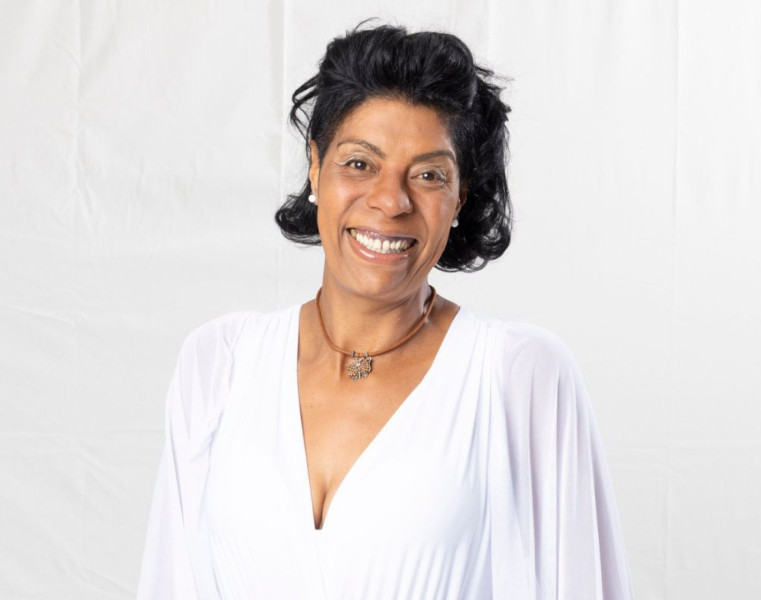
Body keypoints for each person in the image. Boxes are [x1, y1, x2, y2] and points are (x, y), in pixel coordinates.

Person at [137, 23, 634, 600]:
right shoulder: (219, 363)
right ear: (315, 166)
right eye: (359, 163)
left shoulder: (520, 374)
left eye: (428, 175)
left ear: (460, 196)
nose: (390, 201)